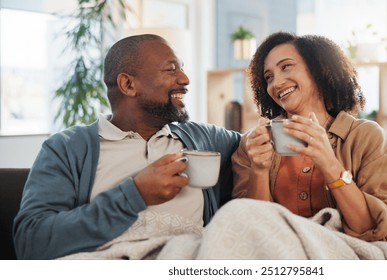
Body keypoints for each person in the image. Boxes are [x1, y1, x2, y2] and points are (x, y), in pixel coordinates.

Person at [13, 34, 241, 259]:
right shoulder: (67, 149)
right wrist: (135, 194)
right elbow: (32, 241)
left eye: (181, 68)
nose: (185, 79)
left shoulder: (205, 139)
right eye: (171, 69)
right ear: (128, 84)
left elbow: (263, 143)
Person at [231, 31, 387, 248]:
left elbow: (383, 234)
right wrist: (259, 171)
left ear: (318, 70)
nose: (277, 82)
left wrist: (329, 163)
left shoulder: (367, 137)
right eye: (268, 77)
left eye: (286, 66)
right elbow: (252, 233)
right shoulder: (253, 145)